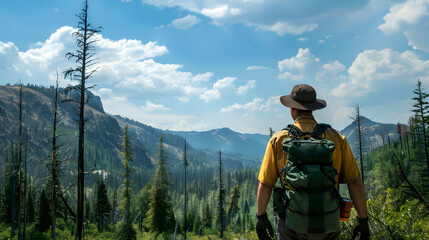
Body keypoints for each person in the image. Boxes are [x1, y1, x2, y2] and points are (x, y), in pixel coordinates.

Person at [256, 84, 369, 240]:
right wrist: (363, 220)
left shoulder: (279, 139)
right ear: (313, 109)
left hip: (291, 224)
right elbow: (354, 181)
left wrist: (261, 218)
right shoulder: (336, 138)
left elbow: (266, 183)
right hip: (328, 223)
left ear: (292, 109)